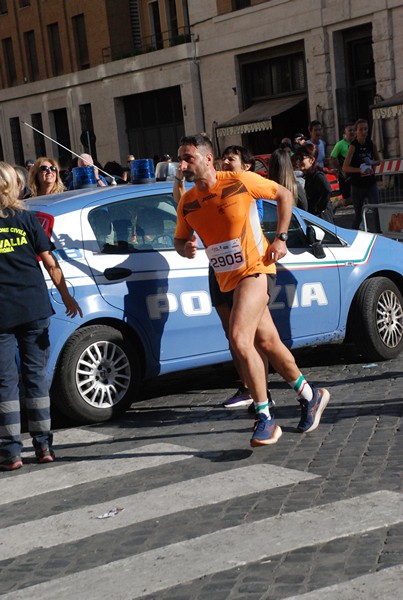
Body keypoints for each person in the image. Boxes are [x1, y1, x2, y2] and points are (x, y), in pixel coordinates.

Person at [174, 134, 330, 447]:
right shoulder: (187, 201)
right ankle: (311, 395)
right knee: (268, 341)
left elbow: (284, 195)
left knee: (239, 338)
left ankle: (265, 417)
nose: (182, 165)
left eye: (188, 158)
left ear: (208, 160)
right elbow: (179, 240)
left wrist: (281, 238)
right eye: (180, 159)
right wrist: (185, 248)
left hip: (256, 270)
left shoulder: (240, 181)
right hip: (226, 279)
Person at [0, 162, 83, 471]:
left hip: (2, 314)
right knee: (36, 378)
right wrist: (66, 297)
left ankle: (11, 451)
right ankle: (44, 445)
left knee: (5, 383)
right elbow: (50, 262)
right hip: (34, 309)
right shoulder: (27, 219)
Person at [342, 118, 380, 230]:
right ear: (356, 131)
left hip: (371, 183)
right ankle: (351, 236)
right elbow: (345, 167)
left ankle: (380, 233)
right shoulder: (353, 146)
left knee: (376, 211)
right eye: (361, 129)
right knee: (358, 215)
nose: (364, 132)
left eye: (366, 129)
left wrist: (371, 162)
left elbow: (378, 161)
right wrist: (360, 169)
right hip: (357, 185)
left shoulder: (371, 144)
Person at [294, 144, 334, 223]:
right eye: (297, 158)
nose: (298, 161)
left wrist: (319, 208)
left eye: (301, 158)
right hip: (314, 216)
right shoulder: (308, 175)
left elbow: (328, 190)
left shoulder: (318, 175)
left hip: (322, 218)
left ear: (312, 160)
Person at [330, 123, 355, 205]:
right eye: (350, 130)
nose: (352, 132)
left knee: (358, 195)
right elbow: (332, 159)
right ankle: (336, 203)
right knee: (347, 199)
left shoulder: (356, 143)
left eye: (353, 130)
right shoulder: (340, 144)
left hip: (355, 172)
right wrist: (340, 170)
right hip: (345, 175)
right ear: (345, 132)